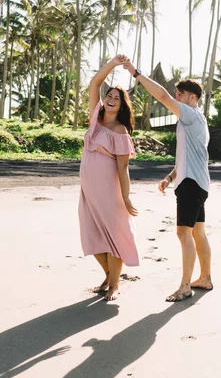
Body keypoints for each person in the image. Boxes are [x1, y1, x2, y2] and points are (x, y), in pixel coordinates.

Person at [122, 59, 213, 302]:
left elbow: (161, 95)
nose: (175, 97)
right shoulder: (198, 120)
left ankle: (185, 286)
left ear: (192, 97)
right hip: (197, 182)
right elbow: (188, 157)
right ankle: (204, 277)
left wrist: (136, 73)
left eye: (179, 93)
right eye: (176, 93)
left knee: (184, 233)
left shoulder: (190, 114)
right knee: (198, 232)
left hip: (191, 184)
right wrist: (170, 177)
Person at [79, 55, 139, 301]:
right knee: (91, 233)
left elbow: (123, 168)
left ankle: (114, 285)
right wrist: (113, 65)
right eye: (110, 96)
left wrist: (125, 197)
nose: (112, 99)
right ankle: (108, 275)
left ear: (122, 105)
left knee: (114, 234)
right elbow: (94, 83)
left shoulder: (120, 131)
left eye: (117, 97)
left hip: (109, 190)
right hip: (89, 189)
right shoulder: (96, 118)